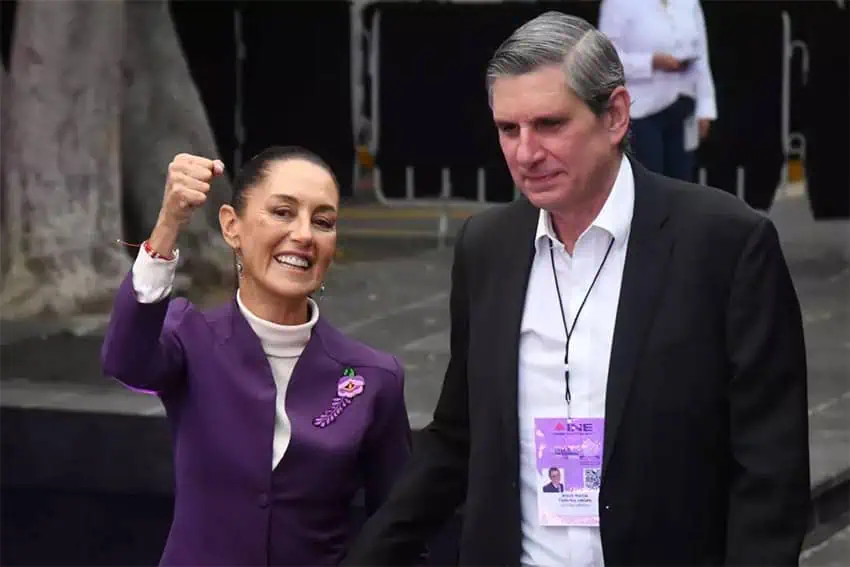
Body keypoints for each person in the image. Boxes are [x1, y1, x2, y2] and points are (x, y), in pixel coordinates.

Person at [342, 11, 810, 567]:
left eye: (549, 124)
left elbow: (770, 470)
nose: (525, 152)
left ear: (614, 115)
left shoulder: (726, 244)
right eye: (508, 129)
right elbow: (458, 435)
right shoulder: (487, 247)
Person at [101, 146, 413, 566]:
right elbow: (126, 360)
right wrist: (169, 223)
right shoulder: (189, 337)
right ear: (232, 226)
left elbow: (399, 532)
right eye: (283, 212)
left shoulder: (375, 376)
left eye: (322, 221)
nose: (303, 234)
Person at [598, 0, 717, 182]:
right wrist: (651, 62)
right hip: (640, 110)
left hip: (683, 107)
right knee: (649, 185)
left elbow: (701, 57)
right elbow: (608, 60)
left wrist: (705, 107)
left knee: (682, 185)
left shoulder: (689, 3)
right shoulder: (617, 4)